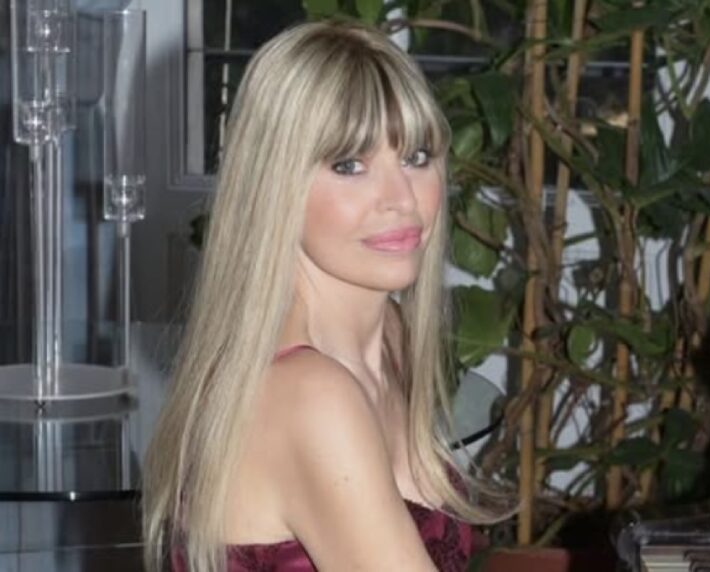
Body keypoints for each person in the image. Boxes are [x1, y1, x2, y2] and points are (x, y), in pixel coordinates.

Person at [143, 20, 506, 572]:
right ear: (275, 187)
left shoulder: (391, 336)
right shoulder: (309, 396)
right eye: (349, 166)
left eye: (416, 157)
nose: (401, 198)